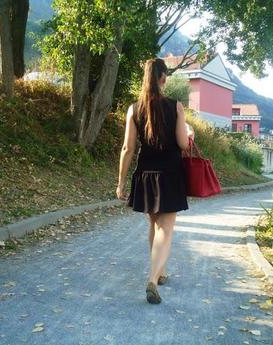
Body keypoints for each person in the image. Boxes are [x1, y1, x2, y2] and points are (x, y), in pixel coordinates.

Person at [116, 58, 194, 304]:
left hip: (145, 174)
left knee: (154, 225)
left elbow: (128, 148)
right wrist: (189, 133)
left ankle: (160, 273)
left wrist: (120, 182)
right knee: (166, 228)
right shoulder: (175, 106)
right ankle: (152, 279)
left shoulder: (134, 109)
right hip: (170, 174)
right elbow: (182, 144)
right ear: (163, 77)